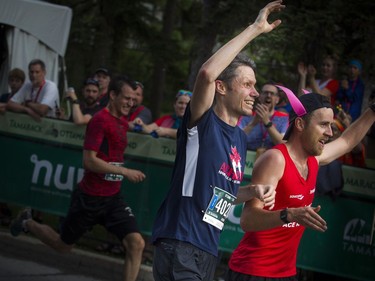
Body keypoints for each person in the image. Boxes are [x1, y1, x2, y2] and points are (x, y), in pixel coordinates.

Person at [151, 1, 285, 281]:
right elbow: (206, 73)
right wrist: (255, 29)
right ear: (221, 88)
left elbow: (220, 197)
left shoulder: (239, 136)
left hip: (207, 249)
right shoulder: (202, 121)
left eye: (255, 85)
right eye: (247, 84)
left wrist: (252, 191)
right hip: (180, 242)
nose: (256, 93)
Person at [226, 85, 375, 281]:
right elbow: (247, 220)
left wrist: (373, 110)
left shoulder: (313, 160)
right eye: (323, 125)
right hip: (253, 271)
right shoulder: (276, 159)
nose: (330, 132)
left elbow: (347, 141)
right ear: (300, 125)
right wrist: (289, 214)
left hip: (286, 272)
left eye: (330, 125)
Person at [10, 75, 147, 281]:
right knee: (62, 246)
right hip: (89, 198)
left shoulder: (122, 120)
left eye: (133, 99)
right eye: (126, 98)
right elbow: (89, 161)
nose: (131, 102)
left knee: (136, 244)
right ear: (112, 95)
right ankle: (28, 222)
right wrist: (125, 172)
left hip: (113, 198)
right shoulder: (99, 121)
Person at [238, 82, 289, 155]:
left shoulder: (283, 118)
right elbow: (235, 138)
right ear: (260, 96)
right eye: (265, 93)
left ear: (277, 99)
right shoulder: (246, 115)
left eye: (272, 94)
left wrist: (267, 122)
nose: (268, 95)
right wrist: (252, 124)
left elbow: (283, 144)